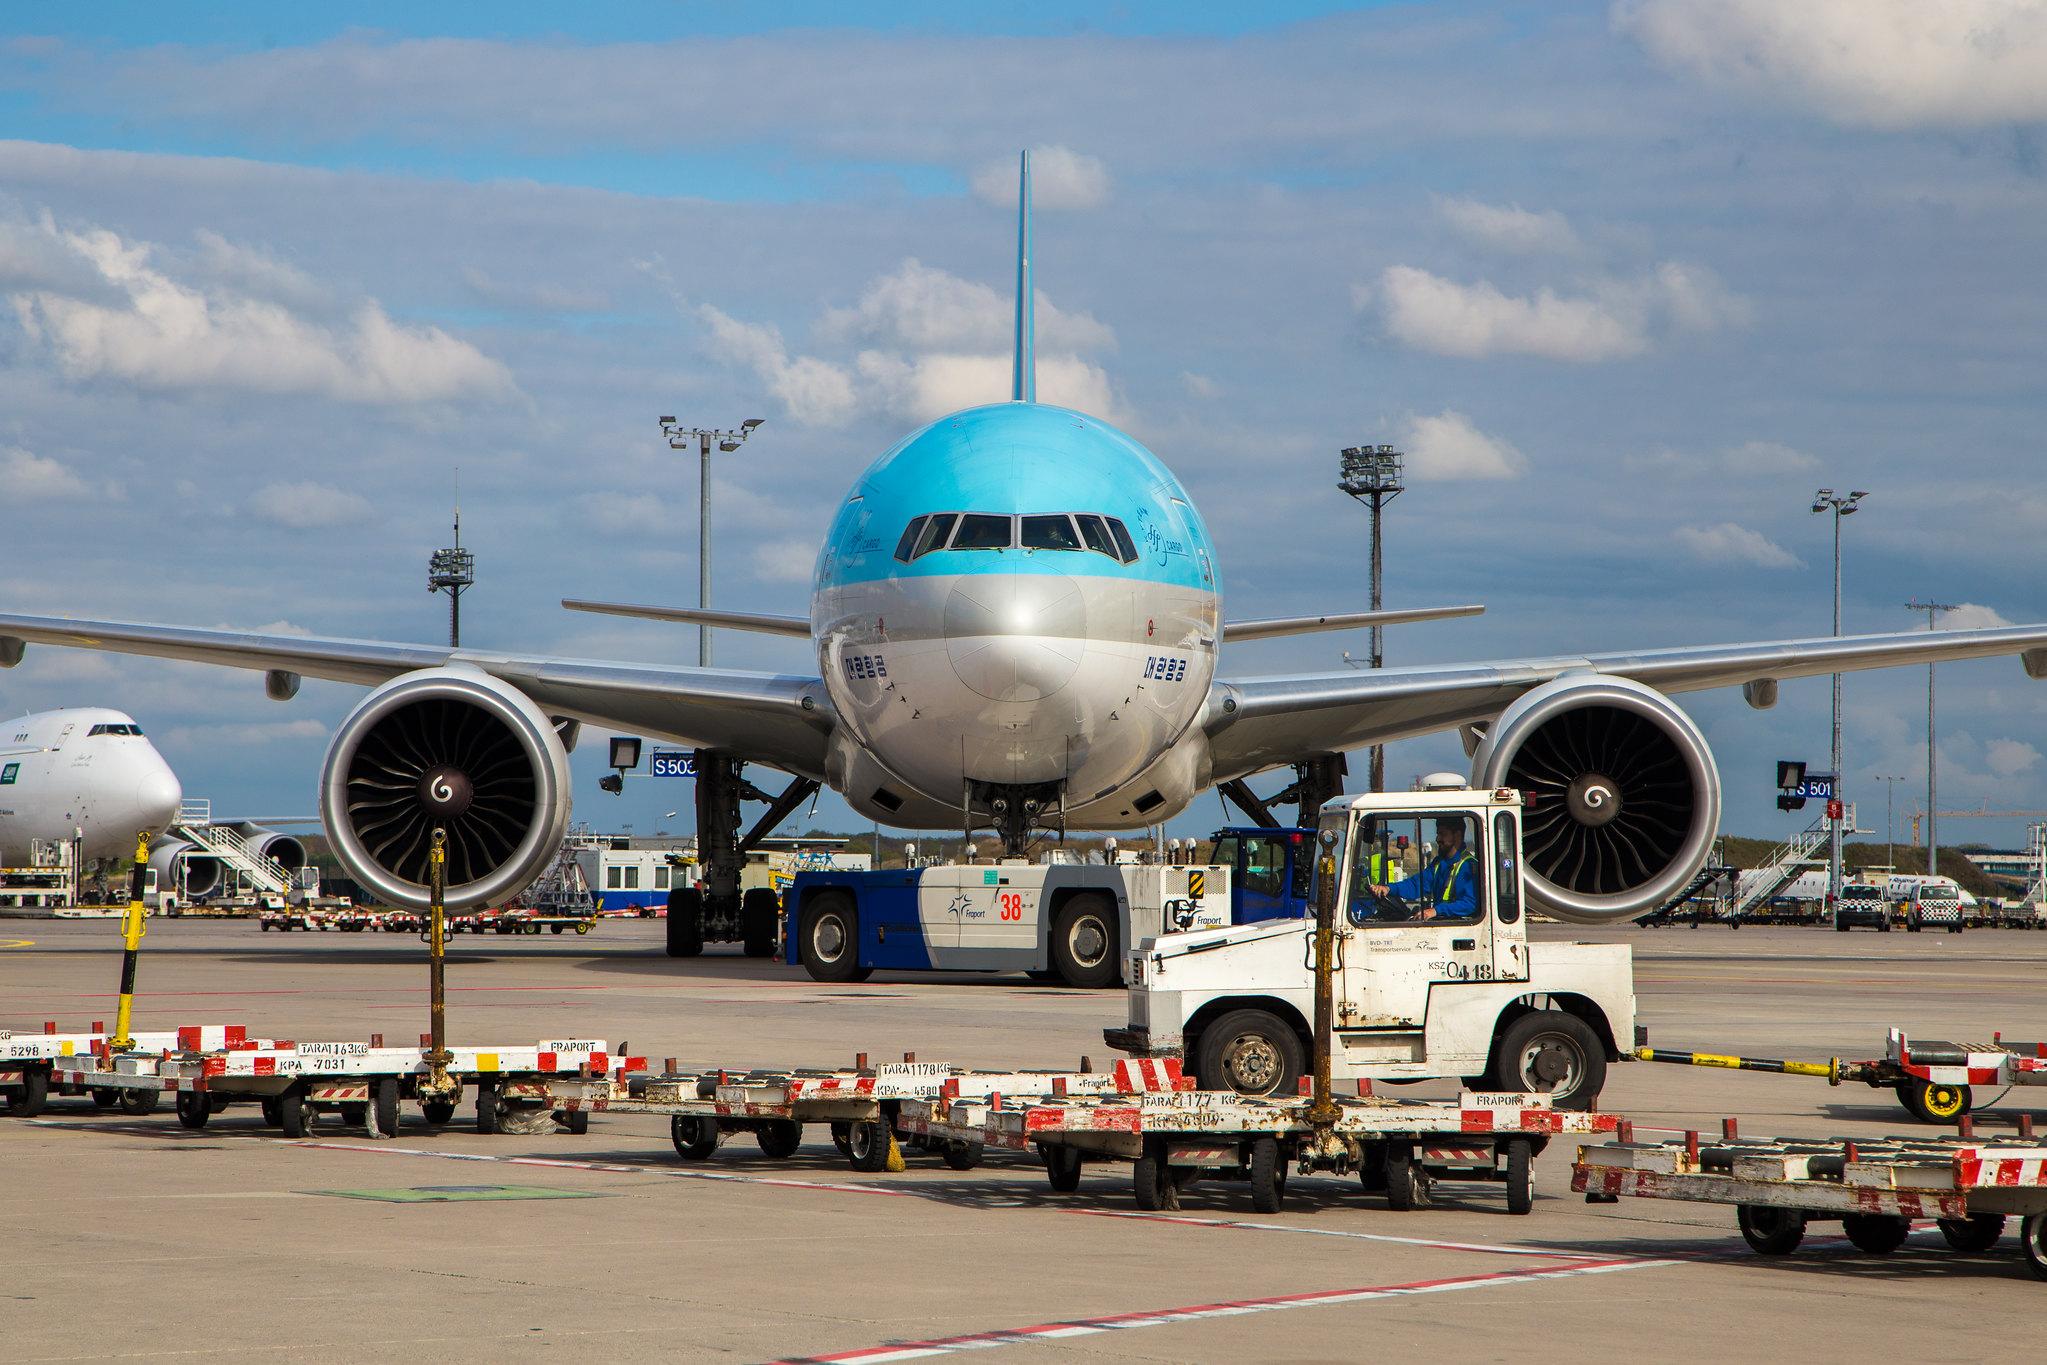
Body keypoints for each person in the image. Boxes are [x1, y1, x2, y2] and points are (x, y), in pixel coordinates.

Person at [1370, 818, 1478, 921]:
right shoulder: (1439, 863)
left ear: (1457, 836)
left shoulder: (1468, 866)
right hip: (1443, 923)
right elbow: (1416, 885)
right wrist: (1388, 889)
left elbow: (1470, 904)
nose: (1437, 839)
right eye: (1437, 834)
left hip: (1458, 928)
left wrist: (1435, 911)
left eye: (1443, 834)